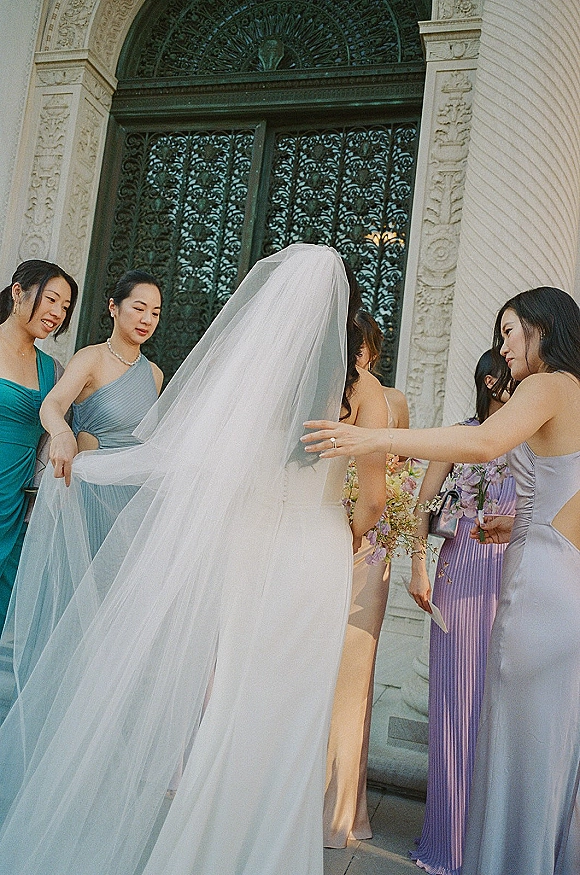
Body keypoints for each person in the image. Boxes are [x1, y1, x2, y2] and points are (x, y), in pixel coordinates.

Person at [0, 244, 388, 875]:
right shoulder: (362, 394)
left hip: (254, 550)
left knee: (234, 699)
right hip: (314, 554)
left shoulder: (261, 386)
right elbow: (371, 504)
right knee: (292, 711)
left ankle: (202, 842)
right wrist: (344, 527)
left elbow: (206, 468)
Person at [303, 286, 580, 875]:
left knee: (520, 748)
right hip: (558, 573)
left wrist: (373, 437)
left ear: (543, 330)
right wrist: (526, 525)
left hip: (538, 591)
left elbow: (481, 444)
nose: (501, 345)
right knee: (545, 746)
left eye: (509, 331)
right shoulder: (574, 392)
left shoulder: (548, 383)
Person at [0, 270, 163, 700]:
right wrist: (64, 433)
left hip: (124, 505)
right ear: (114, 308)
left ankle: (80, 706)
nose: (147, 319)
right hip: (85, 495)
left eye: (156, 312)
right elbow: (54, 407)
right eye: (139, 308)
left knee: (107, 614)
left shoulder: (155, 376)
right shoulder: (87, 359)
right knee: (65, 602)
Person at [408, 348, 516, 875]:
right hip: (459, 572)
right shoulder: (462, 434)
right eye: (501, 378)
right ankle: (449, 842)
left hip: (512, 576)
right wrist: (417, 569)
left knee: (499, 707)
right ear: (492, 382)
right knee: (455, 706)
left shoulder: (531, 441)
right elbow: (424, 505)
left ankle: (491, 843)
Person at [323, 309, 409, 848]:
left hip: (367, 546)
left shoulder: (390, 400)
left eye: (366, 347)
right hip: (334, 529)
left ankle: (342, 811)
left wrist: (362, 526)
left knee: (353, 676)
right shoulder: (328, 389)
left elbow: (394, 471)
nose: (360, 355)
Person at [0, 260, 78, 632]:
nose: (57, 313)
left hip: (15, 506)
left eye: (65, 307)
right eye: (51, 300)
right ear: (18, 293)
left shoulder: (54, 370)